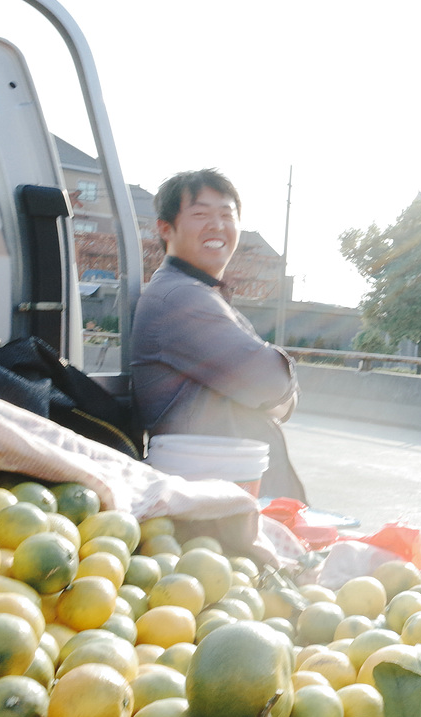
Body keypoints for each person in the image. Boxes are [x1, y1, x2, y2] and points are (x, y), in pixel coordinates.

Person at [131, 168, 307, 502]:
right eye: (200, 214)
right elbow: (273, 384)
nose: (217, 224)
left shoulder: (199, 293)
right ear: (165, 229)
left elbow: (272, 392)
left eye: (227, 214)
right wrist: (277, 391)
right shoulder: (180, 298)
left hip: (227, 488)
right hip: (214, 499)